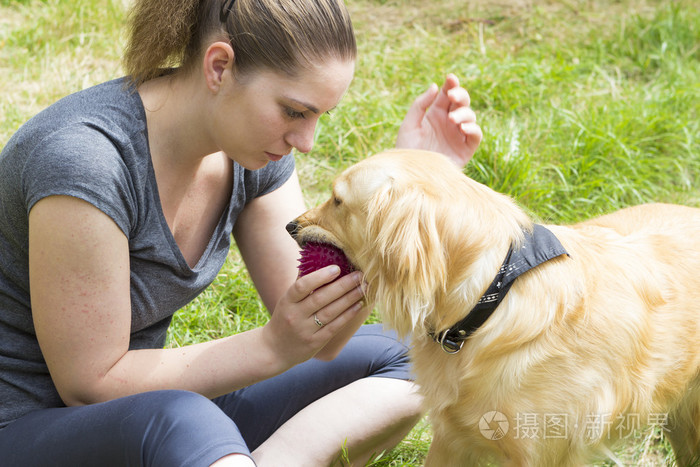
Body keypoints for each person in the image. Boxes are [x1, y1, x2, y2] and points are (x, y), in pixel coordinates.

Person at [0, 0, 482, 465]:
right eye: (295, 111)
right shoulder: (86, 163)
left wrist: (404, 191)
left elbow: (324, 338)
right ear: (219, 67)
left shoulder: (251, 152)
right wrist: (273, 347)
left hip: (144, 417)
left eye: (318, 116)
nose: (307, 141)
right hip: (26, 427)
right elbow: (90, 387)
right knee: (184, 419)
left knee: (410, 354)